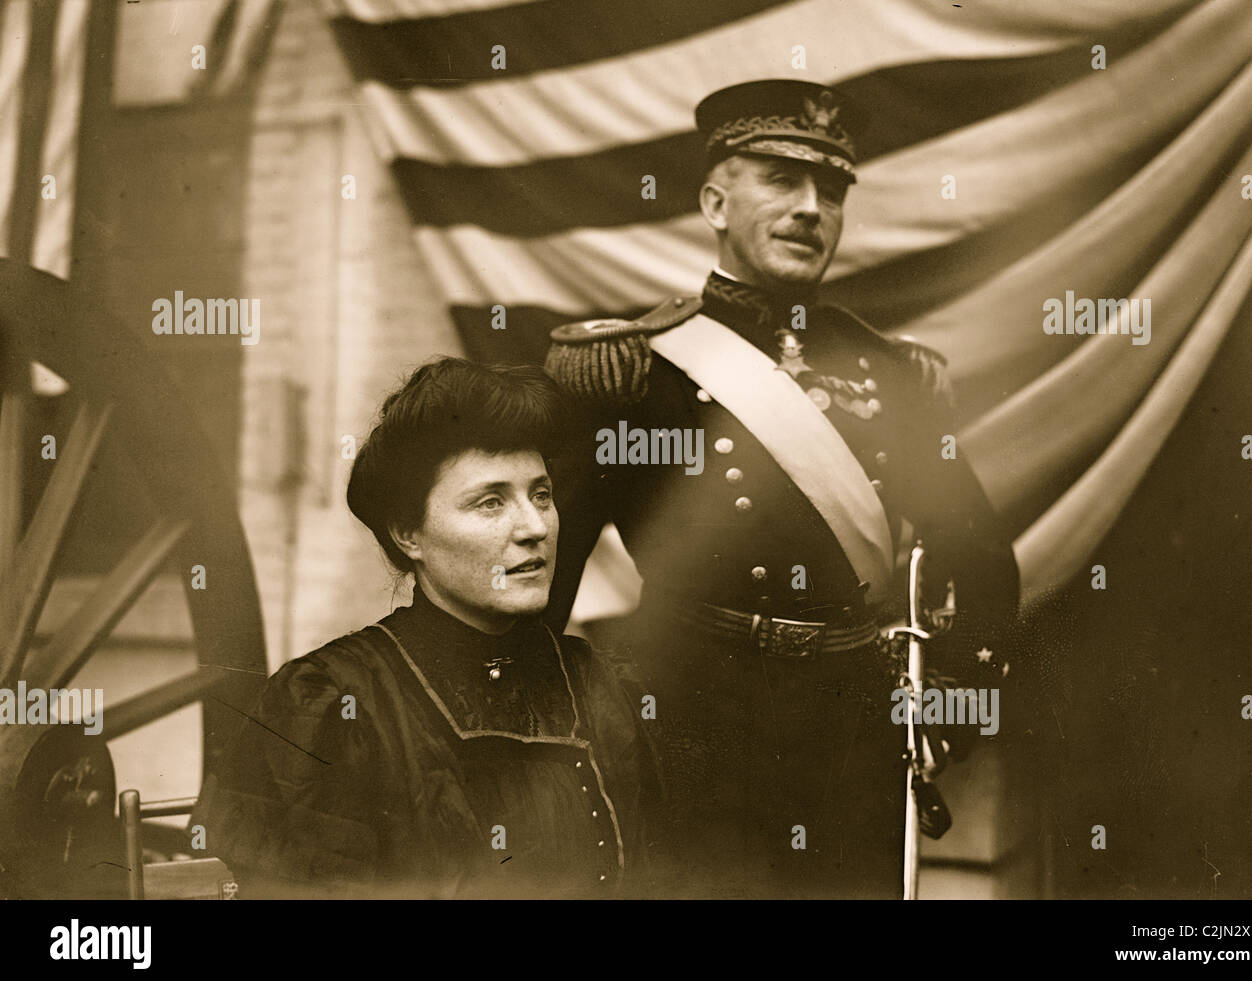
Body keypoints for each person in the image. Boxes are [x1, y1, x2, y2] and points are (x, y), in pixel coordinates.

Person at [544, 79, 1020, 897]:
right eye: (780, 180)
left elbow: (981, 563)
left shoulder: (893, 375)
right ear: (714, 202)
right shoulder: (634, 372)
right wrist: (550, 737)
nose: (811, 208)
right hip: (681, 726)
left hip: (853, 734)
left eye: (831, 191)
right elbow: (546, 578)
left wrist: (945, 708)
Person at [190, 358, 658, 898]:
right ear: (409, 533)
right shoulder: (335, 704)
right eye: (490, 502)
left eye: (542, 494)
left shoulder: (601, 686)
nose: (534, 528)